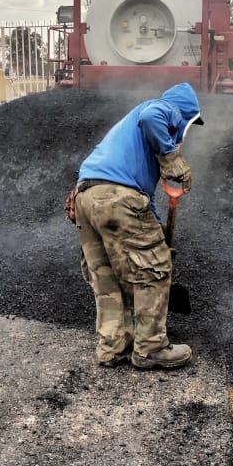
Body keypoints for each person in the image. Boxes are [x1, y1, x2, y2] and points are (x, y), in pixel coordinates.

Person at [70, 82, 202, 370]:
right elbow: (151, 118)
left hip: (86, 196)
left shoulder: (129, 138)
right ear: (187, 115)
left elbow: (143, 196)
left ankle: (112, 347)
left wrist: (157, 231)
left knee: (107, 277)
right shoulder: (165, 110)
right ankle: (151, 348)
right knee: (153, 271)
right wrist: (172, 158)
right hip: (118, 197)